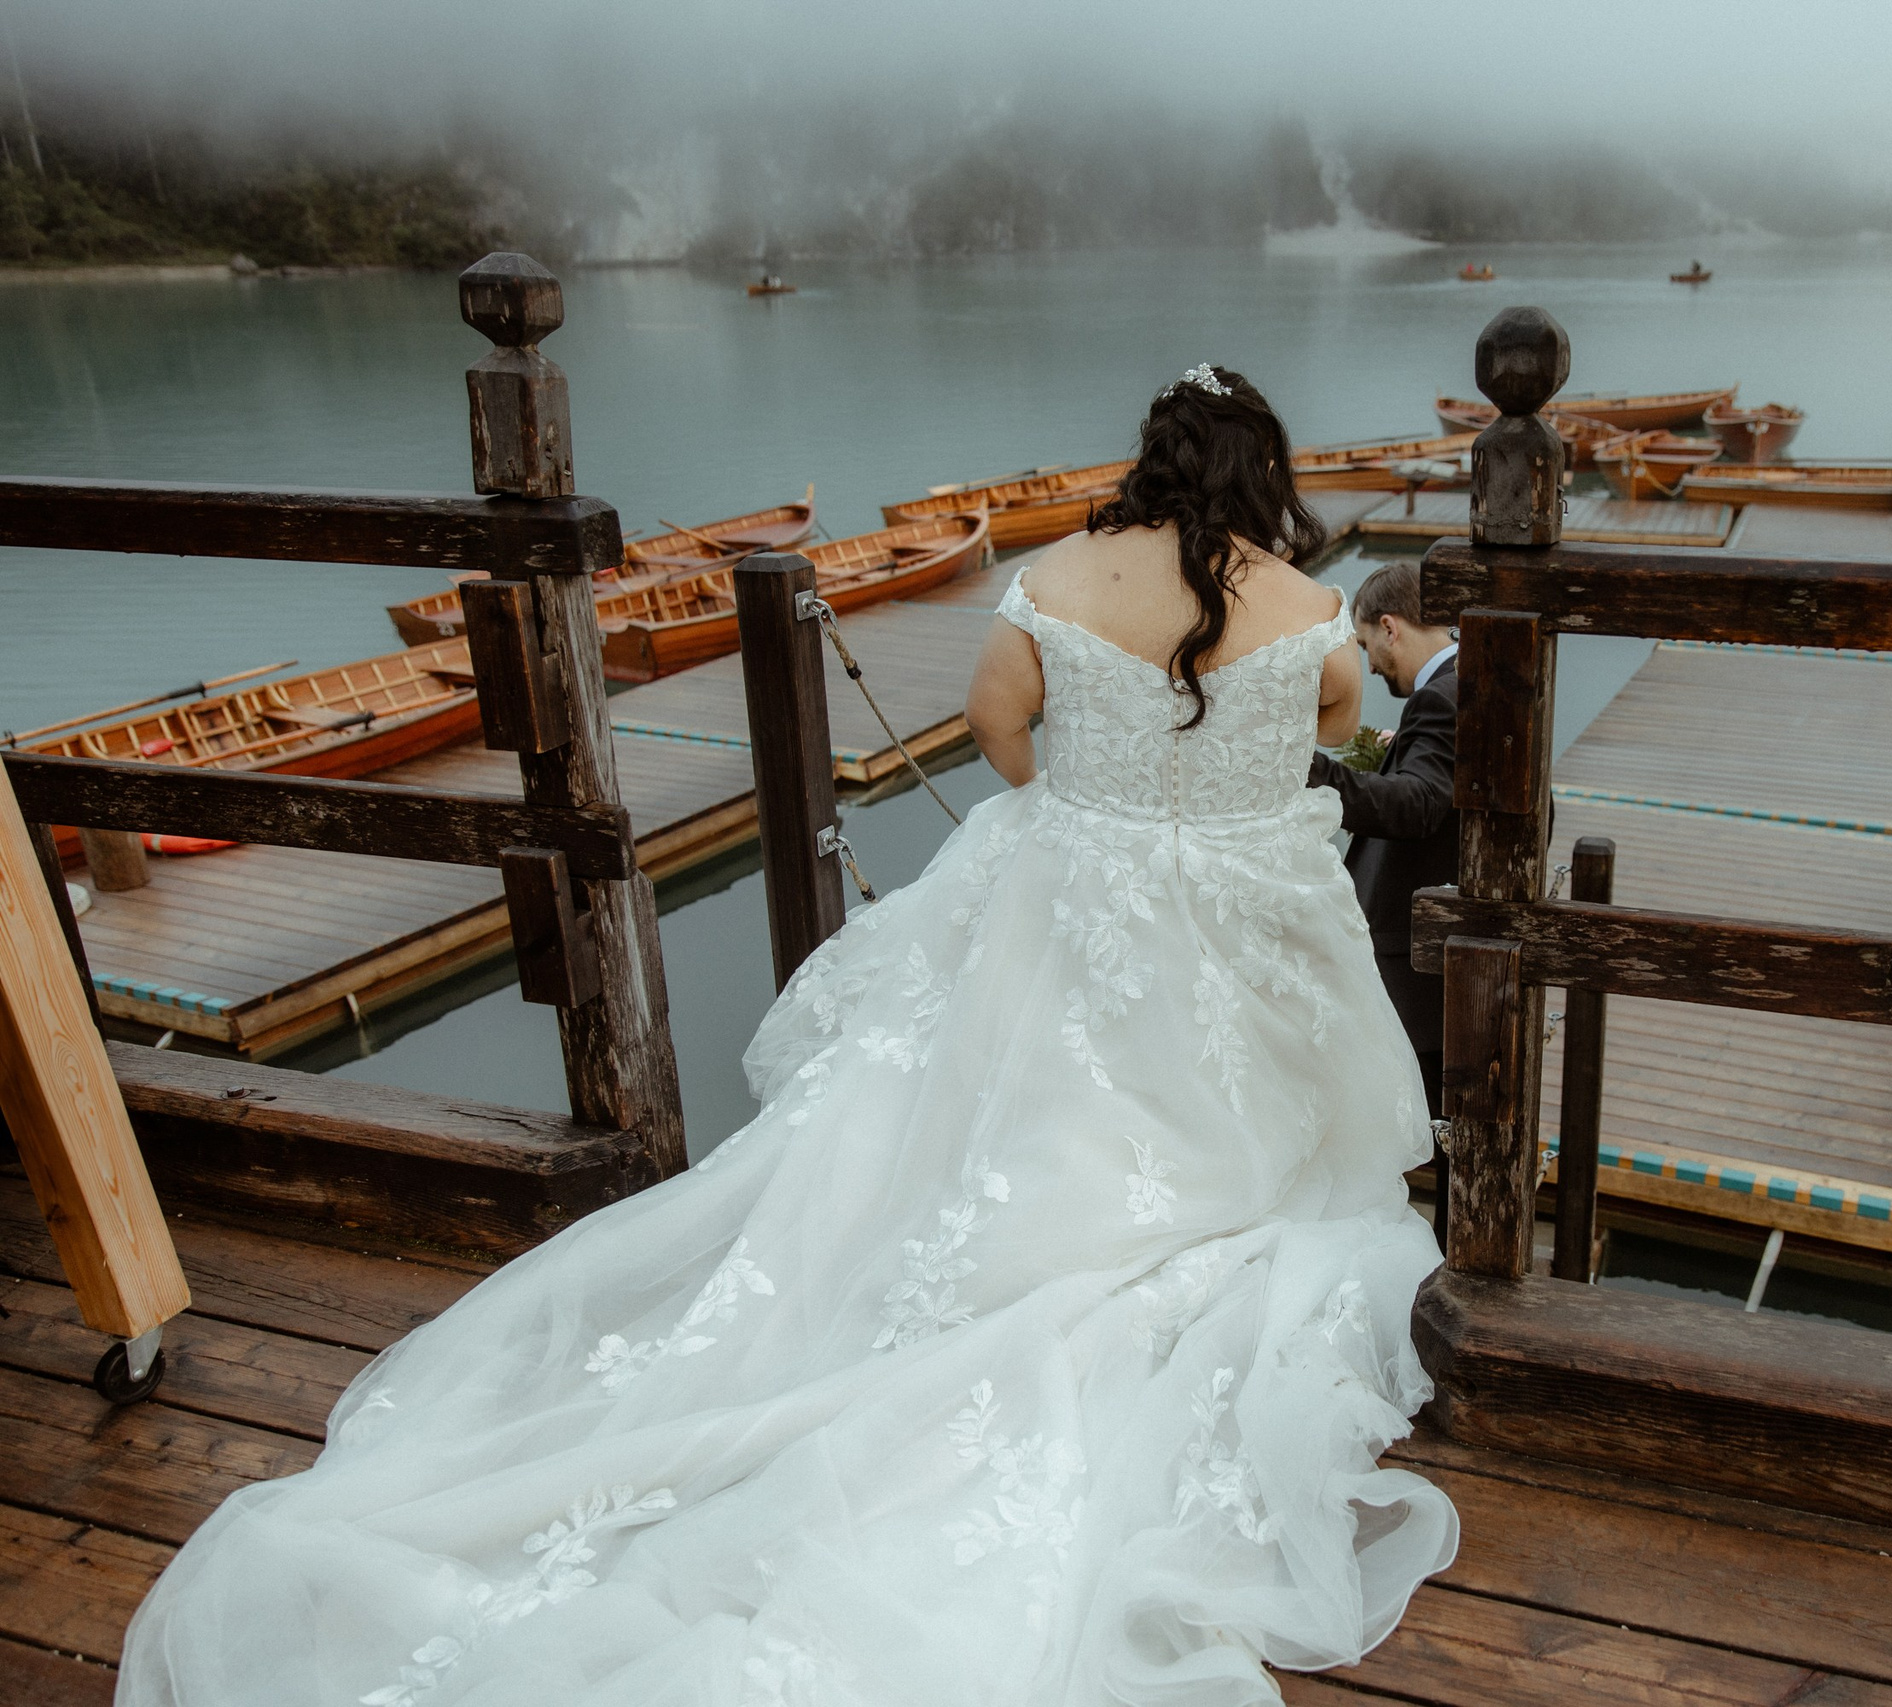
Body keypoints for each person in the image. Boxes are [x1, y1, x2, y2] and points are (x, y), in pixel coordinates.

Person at [117, 365, 1458, 1707]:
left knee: (977, 1127)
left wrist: (1090, 820)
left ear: (1155, 460)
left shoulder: (1060, 578)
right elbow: (1323, 730)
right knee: (1248, 1158)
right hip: (1238, 922)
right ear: (1258, 472)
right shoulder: (1315, 616)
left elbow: (997, 720)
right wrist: (1197, 812)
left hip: (1067, 901)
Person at [1305, 563, 1458, 1117]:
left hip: (1418, 964)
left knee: (1418, 1119)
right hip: (1445, 948)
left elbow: (1418, 805)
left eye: (1369, 643)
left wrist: (1314, 772)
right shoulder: (1468, 679)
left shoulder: (1441, 698)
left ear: (1391, 627)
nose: (1369, 665)